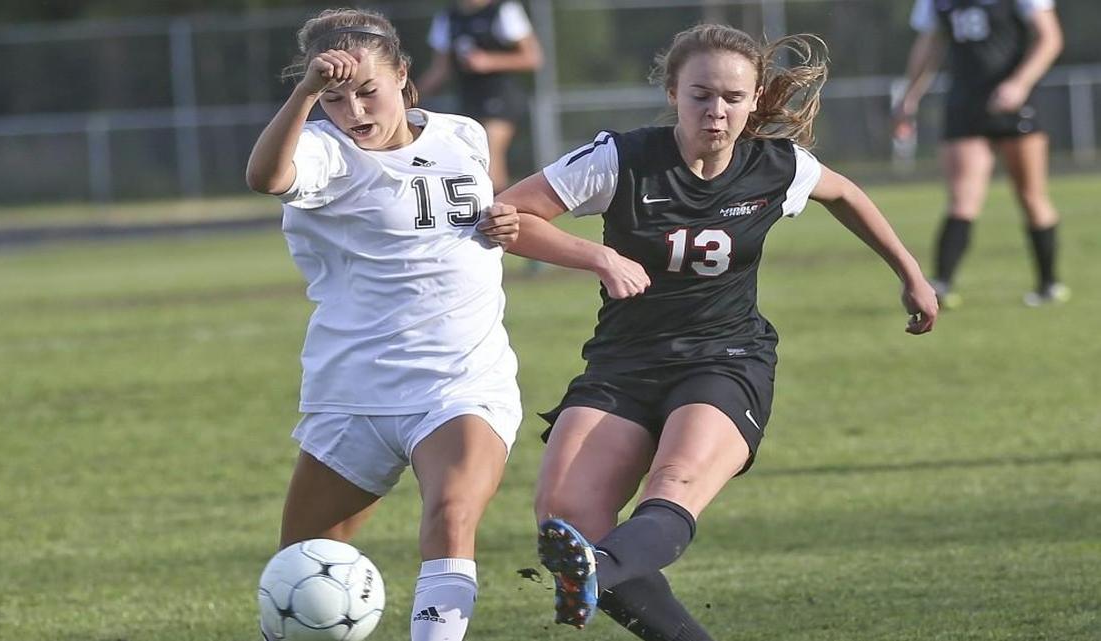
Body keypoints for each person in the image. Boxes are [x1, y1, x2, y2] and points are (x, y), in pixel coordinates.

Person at [496, 23, 939, 639]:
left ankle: (600, 567)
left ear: (755, 99)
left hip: (726, 358)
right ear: (673, 92)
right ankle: (615, 578)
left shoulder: (775, 165)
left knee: (673, 483)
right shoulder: (620, 158)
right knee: (563, 518)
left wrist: (909, 272)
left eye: (733, 98)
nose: (717, 110)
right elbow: (507, 213)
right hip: (624, 361)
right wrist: (596, 256)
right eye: (701, 94)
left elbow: (844, 194)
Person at [244, 9, 522, 641]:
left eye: (368, 90)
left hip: (460, 379)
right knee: (301, 571)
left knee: (452, 517)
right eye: (336, 98)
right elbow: (266, 178)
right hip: (355, 390)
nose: (356, 111)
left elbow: (488, 221)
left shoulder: (463, 136)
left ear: (404, 75)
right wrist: (305, 94)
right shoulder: (321, 149)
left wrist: (503, 224)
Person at [893, 0, 1067, 308]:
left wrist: (1019, 83)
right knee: (962, 198)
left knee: (1031, 196)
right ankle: (941, 285)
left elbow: (1050, 37)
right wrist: (910, 96)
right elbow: (930, 44)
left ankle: (1048, 284)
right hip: (966, 105)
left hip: (1016, 103)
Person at [416, 0, 543, 192]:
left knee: (490, 149)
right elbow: (440, 69)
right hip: (468, 98)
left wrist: (489, 61)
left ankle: (498, 210)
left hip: (500, 95)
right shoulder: (448, 18)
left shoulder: (503, 11)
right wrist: (409, 97)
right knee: (471, 156)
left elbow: (533, 58)